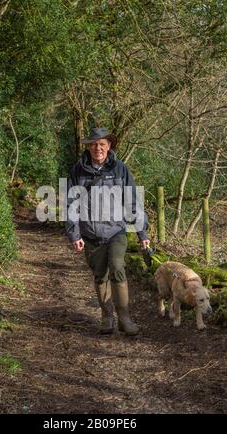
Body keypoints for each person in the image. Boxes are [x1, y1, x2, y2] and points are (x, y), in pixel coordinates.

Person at [65, 127, 149, 336]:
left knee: (117, 267)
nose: (97, 148)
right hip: (90, 233)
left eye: (102, 144)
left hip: (116, 231)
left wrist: (143, 235)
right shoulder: (77, 171)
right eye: (93, 144)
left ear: (109, 146)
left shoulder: (120, 169)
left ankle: (125, 318)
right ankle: (107, 317)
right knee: (99, 275)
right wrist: (74, 234)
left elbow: (132, 203)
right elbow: (71, 204)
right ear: (88, 147)